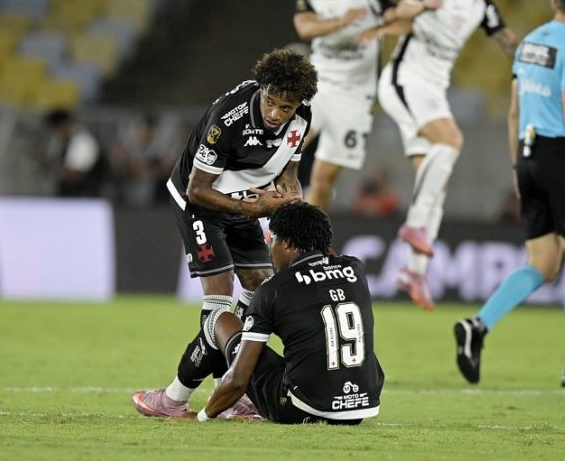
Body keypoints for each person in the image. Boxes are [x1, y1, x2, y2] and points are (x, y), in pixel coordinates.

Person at [454, 0, 565, 390]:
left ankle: (478, 324)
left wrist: (518, 168)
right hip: (560, 157)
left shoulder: (529, 44)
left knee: (543, 264)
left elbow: (513, 113)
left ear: (553, 3)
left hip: (528, 156)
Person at [132, 48, 318, 419]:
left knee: (260, 288)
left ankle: (228, 389)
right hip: (200, 205)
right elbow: (197, 189)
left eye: (286, 107)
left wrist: (289, 204)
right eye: (270, 102)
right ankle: (187, 396)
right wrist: (254, 210)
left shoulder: (302, 116)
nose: (275, 114)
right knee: (219, 303)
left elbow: (289, 175)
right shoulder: (227, 121)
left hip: (246, 202)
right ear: (261, 89)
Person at [367, 0, 519, 310]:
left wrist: (530, 59)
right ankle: (415, 225)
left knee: (437, 183)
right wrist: (421, 7)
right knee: (451, 141)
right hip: (405, 81)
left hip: (432, 92)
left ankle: (413, 271)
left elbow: (505, 39)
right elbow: (400, 10)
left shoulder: (482, 5)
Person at [190, 202, 383, 424]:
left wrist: (201, 417)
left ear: (288, 244)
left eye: (273, 239)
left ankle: (173, 398)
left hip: (301, 410)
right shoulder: (355, 269)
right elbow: (329, 255)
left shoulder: (274, 288)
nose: (270, 247)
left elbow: (238, 381)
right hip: (360, 408)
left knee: (222, 321)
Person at [293, 0, 396, 212]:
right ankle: (259, 220)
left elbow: (396, 19)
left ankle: (308, 236)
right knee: (283, 152)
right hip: (319, 87)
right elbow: (305, 28)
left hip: (354, 98)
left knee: (324, 178)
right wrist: (343, 21)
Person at [42, 109, 108, 198]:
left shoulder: (83, 140)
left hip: (85, 195)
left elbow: (75, 174)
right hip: (68, 193)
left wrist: (54, 165)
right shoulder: (60, 141)